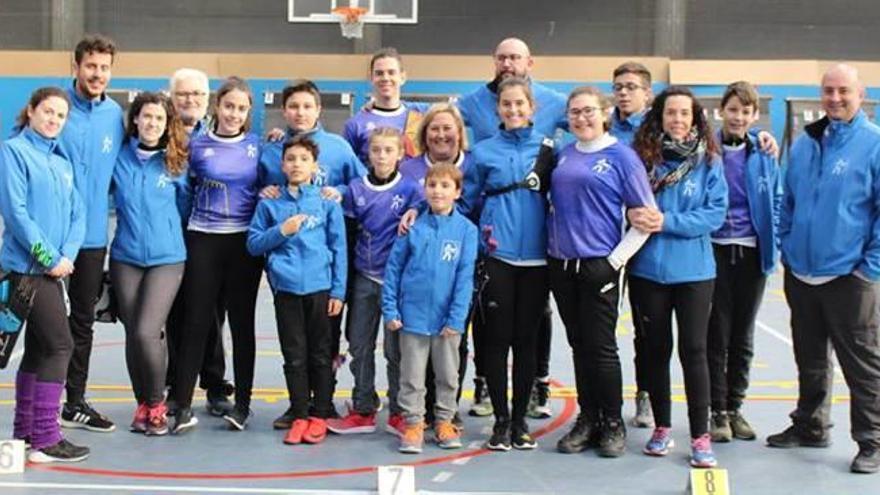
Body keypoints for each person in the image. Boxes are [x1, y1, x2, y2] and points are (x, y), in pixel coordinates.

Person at [767, 64, 880, 475]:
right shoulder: (805, 143)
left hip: (850, 277)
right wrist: (787, 245)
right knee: (810, 358)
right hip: (802, 273)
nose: (834, 98)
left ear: (860, 94)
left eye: (843, 91)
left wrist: (869, 269)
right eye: (828, 91)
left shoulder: (873, 144)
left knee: (862, 364)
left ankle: (873, 441)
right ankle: (811, 426)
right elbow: (788, 199)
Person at [458, 37, 565, 421]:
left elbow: (597, 123)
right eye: (501, 56)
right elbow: (435, 119)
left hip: (538, 248)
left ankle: (538, 382)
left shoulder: (553, 127)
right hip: (497, 246)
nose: (507, 62)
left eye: (514, 57)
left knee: (536, 323)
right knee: (490, 322)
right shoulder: (477, 120)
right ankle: (486, 384)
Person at [550, 87, 655, 458]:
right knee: (580, 345)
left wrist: (614, 261)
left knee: (602, 347)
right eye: (575, 112)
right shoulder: (563, 157)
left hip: (600, 265)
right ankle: (588, 417)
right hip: (562, 266)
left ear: (605, 113)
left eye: (589, 111)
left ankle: (613, 421)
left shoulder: (622, 158)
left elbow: (645, 218)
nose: (582, 118)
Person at [627, 86, 728, 468]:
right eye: (671, 113)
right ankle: (662, 427)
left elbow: (714, 214)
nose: (678, 120)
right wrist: (633, 216)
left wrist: (666, 221)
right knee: (654, 350)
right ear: (660, 117)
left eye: (685, 113)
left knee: (695, 351)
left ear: (695, 118)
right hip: (648, 271)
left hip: (695, 272)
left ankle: (700, 436)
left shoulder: (709, 161)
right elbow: (624, 201)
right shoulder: (641, 159)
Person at [259, 79, 367, 428]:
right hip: (287, 264)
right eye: (294, 107)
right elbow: (257, 187)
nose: (300, 112)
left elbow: (361, 184)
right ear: (284, 111)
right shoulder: (273, 148)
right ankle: (298, 407)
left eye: (307, 106)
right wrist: (266, 188)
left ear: (319, 110)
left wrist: (337, 191)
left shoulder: (337, 147)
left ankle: (324, 403)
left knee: (326, 341)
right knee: (294, 345)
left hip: (324, 258)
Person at [172, 76, 263, 434]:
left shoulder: (259, 147)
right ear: (217, 106)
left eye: (241, 108)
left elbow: (279, 181)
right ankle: (181, 404)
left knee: (242, 324)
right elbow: (182, 189)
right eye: (228, 106)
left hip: (243, 245)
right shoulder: (196, 146)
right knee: (197, 322)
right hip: (203, 240)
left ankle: (242, 405)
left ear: (248, 112)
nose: (234, 114)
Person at [1, 87, 87, 462]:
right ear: (31, 111)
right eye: (47, 112)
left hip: (55, 269)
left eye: (60, 115)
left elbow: (77, 213)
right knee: (59, 345)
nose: (53, 120)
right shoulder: (13, 152)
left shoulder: (62, 161)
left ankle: (25, 434)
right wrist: (48, 257)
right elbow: (17, 214)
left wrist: (67, 254)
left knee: (39, 349)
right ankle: (46, 438)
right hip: (27, 271)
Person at [247, 135, 347, 445]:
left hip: (320, 289)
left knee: (320, 354)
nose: (296, 164)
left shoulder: (326, 203)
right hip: (286, 290)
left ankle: (319, 415)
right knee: (294, 356)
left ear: (314, 166)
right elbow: (253, 244)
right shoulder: (270, 203)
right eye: (290, 159)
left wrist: (338, 292)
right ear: (282, 165)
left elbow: (339, 248)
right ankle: (300, 415)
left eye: (303, 159)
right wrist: (282, 230)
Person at [327, 128, 422, 436]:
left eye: (388, 151)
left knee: (396, 351)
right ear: (367, 154)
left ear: (399, 155)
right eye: (376, 150)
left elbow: (428, 206)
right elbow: (347, 229)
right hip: (364, 279)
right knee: (359, 345)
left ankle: (398, 411)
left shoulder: (410, 190)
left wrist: (415, 209)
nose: (381, 156)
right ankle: (364, 407)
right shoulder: (355, 189)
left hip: (397, 284)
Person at [109, 92, 190, 437]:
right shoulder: (119, 157)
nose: (152, 123)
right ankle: (142, 403)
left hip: (166, 259)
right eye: (146, 117)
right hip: (125, 256)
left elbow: (185, 207)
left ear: (167, 124)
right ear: (136, 120)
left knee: (147, 331)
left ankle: (158, 404)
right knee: (133, 334)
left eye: (159, 118)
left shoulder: (177, 162)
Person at [383, 162, 478, 453]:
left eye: (445, 186)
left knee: (448, 375)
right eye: (432, 185)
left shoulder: (466, 230)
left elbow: (465, 277)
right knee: (411, 376)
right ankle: (413, 424)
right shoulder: (412, 226)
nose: (438, 191)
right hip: (411, 317)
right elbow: (394, 270)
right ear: (424, 190)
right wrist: (391, 309)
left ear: (458, 192)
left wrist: (457, 317)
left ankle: (444, 421)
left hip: (446, 321)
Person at [56, 33, 124, 434]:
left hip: (93, 239)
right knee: (33, 321)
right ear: (77, 67)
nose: (97, 74)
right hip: (48, 240)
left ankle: (74, 401)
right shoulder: (54, 107)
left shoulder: (115, 115)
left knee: (82, 321)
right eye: (91, 66)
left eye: (104, 68)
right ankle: (40, 401)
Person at [707, 81, 781, 443]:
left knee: (743, 335)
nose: (738, 117)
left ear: (755, 116)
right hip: (715, 250)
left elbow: (777, 199)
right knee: (716, 334)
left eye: (746, 111)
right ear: (721, 111)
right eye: (733, 109)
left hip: (752, 254)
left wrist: (774, 240)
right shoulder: (706, 150)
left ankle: (735, 408)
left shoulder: (764, 152)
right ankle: (717, 411)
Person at [399, 104, 478, 424]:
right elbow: (406, 205)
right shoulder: (409, 169)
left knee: (452, 341)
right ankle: (416, 414)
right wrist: (416, 208)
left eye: (448, 128)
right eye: (434, 128)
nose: (441, 134)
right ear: (424, 134)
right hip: (420, 268)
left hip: (459, 260)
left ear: (460, 134)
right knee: (414, 352)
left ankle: (446, 413)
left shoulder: (473, 166)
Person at [164, 67, 235, 418]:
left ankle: (214, 383)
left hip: (210, 239)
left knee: (211, 315)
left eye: (197, 95)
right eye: (182, 94)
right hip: (169, 239)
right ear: (171, 98)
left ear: (207, 100)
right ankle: (176, 384)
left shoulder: (218, 135)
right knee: (176, 316)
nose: (190, 100)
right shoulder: (159, 134)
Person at [343, 47, 427, 164]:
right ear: (371, 78)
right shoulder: (355, 124)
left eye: (391, 72)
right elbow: (348, 167)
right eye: (379, 73)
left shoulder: (421, 113)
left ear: (402, 77)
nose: (385, 78)